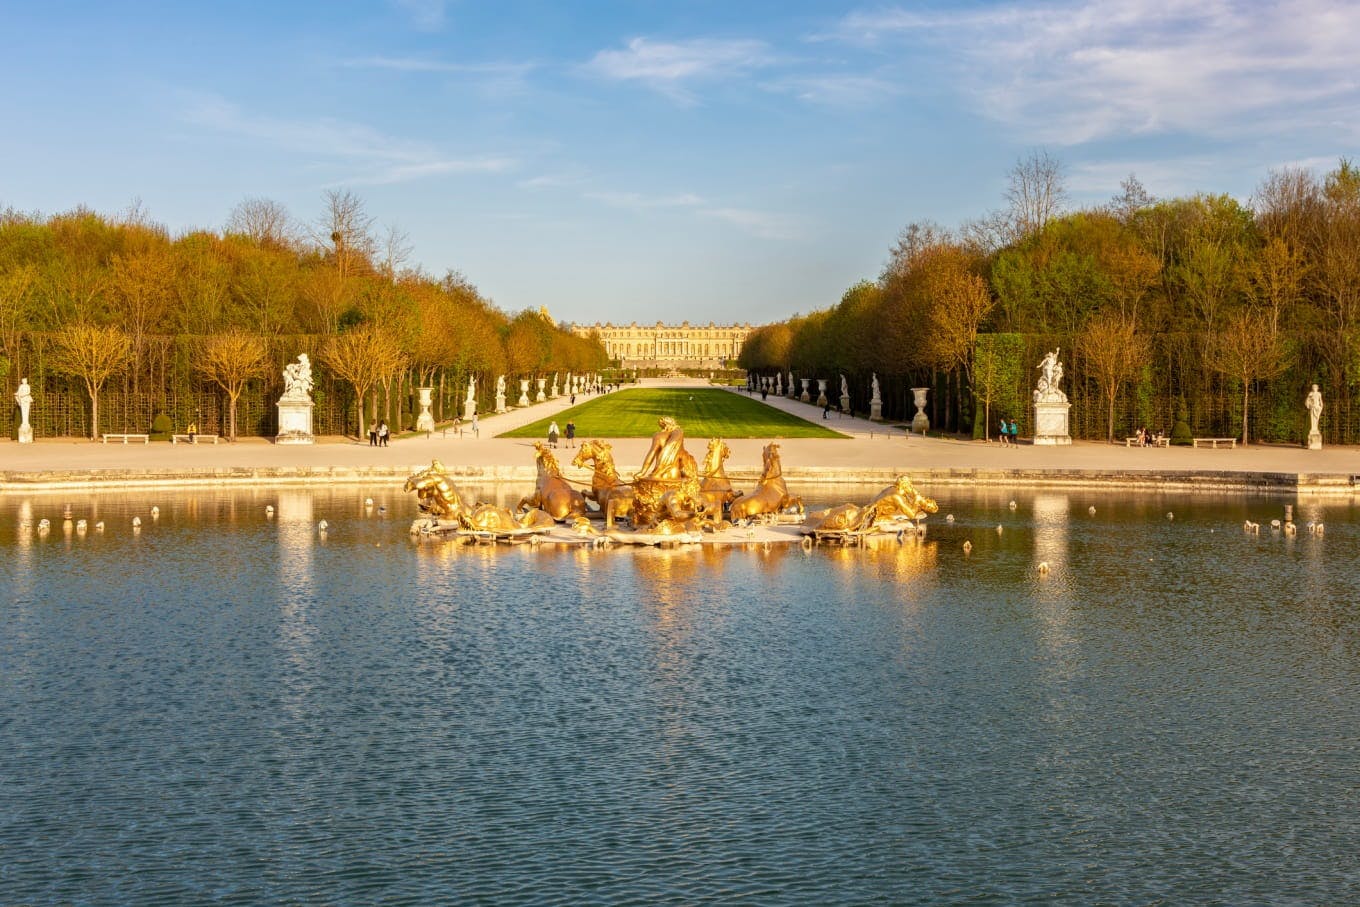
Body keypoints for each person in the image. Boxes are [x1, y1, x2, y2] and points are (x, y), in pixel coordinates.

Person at [637, 416, 688, 481]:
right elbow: (682, 458)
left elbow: (652, 454)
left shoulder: (659, 436)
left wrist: (642, 472)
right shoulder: (678, 437)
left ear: (664, 426)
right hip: (675, 473)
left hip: (661, 475)